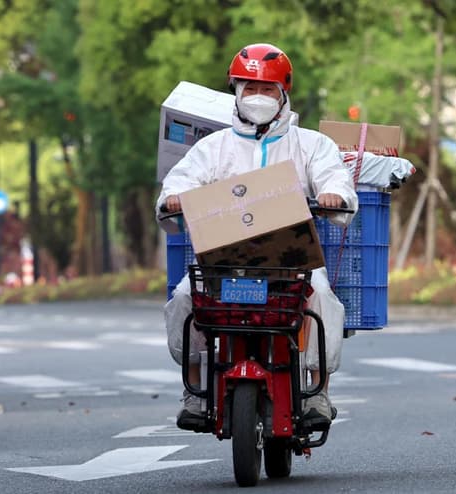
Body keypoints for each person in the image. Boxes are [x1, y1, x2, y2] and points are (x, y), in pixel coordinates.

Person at [156, 43, 358, 430]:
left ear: (283, 95)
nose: (258, 98)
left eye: (268, 90)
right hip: (221, 264)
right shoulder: (211, 148)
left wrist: (336, 196)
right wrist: (172, 199)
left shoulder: (311, 144)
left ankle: (317, 391)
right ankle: (195, 392)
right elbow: (178, 183)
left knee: (323, 302)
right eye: (250, 89)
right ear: (236, 92)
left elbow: (336, 178)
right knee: (183, 299)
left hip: (292, 264)